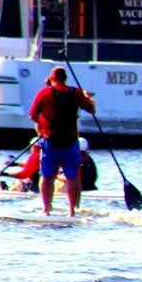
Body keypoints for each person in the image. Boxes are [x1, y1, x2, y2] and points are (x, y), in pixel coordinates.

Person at [27, 66, 95, 217]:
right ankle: (72, 212)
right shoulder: (76, 93)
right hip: (71, 142)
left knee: (46, 176)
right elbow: (91, 109)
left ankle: (46, 210)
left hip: (50, 141)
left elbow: (32, 115)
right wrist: (87, 97)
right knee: (73, 177)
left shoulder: (44, 93)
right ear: (65, 79)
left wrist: (43, 126)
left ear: (51, 78)